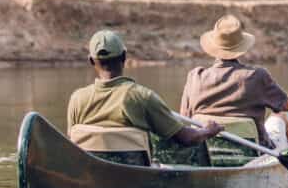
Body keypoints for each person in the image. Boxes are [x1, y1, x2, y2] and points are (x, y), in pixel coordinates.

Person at [67, 29, 222, 157]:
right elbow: (186, 138)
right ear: (124, 56)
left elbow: (72, 144)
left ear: (91, 61)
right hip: (133, 178)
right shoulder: (142, 97)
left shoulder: (77, 99)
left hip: (90, 177)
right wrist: (208, 131)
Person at [180, 14, 288, 153]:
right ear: (241, 48)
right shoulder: (257, 76)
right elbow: (287, 106)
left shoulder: (195, 77)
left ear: (214, 48)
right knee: (280, 115)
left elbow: (184, 117)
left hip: (207, 152)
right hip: (256, 152)